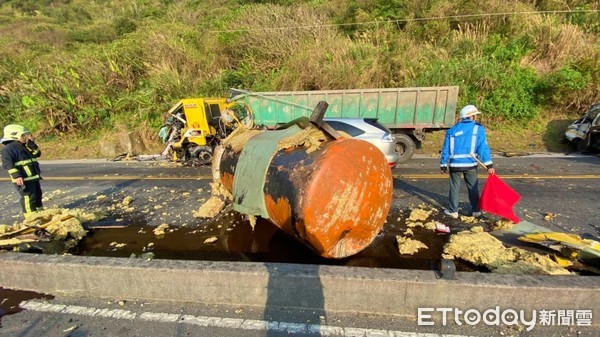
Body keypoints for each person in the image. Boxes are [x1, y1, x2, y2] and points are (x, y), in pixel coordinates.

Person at [440, 105, 495, 219]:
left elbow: (446, 149)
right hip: (470, 164)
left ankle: (453, 211)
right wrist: (489, 165)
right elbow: (483, 148)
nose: (476, 118)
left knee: (454, 187)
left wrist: (443, 165)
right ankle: (476, 210)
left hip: (454, 165)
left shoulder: (452, 130)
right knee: (472, 187)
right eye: (475, 115)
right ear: (472, 116)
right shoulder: (478, 128)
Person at [1, 124, 44, 217]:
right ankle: (31, 218)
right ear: (14, 135)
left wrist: (32, 144)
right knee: (29, 197)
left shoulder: (25, 146)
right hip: (23, 179)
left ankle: (41, 214)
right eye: (22, 135)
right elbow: (8, 164)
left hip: (33, 177)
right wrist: (16, 176)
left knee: (38, 196)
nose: (25, 137)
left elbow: (37, 154)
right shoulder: (7, 149)